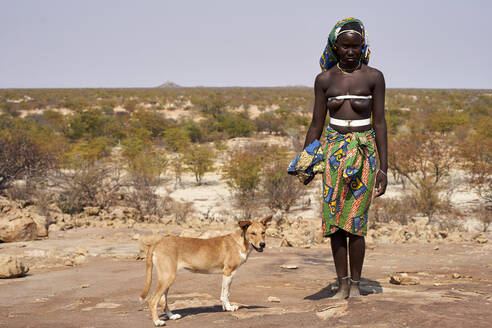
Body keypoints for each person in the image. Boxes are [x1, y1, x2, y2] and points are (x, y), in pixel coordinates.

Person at [303, 17, 388, 298]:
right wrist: (306, 161)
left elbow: (380, 124)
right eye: (345, 47)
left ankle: (355, 284)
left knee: (356, 222)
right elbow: (316, 123)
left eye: (356, 46)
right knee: (335, 222)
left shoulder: (374, 77)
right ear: (335, 47)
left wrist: (383, 168)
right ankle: (341, 285)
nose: (351, 52)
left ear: (363, 46)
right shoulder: (325, 80)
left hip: (364, 152)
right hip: (333, 152)